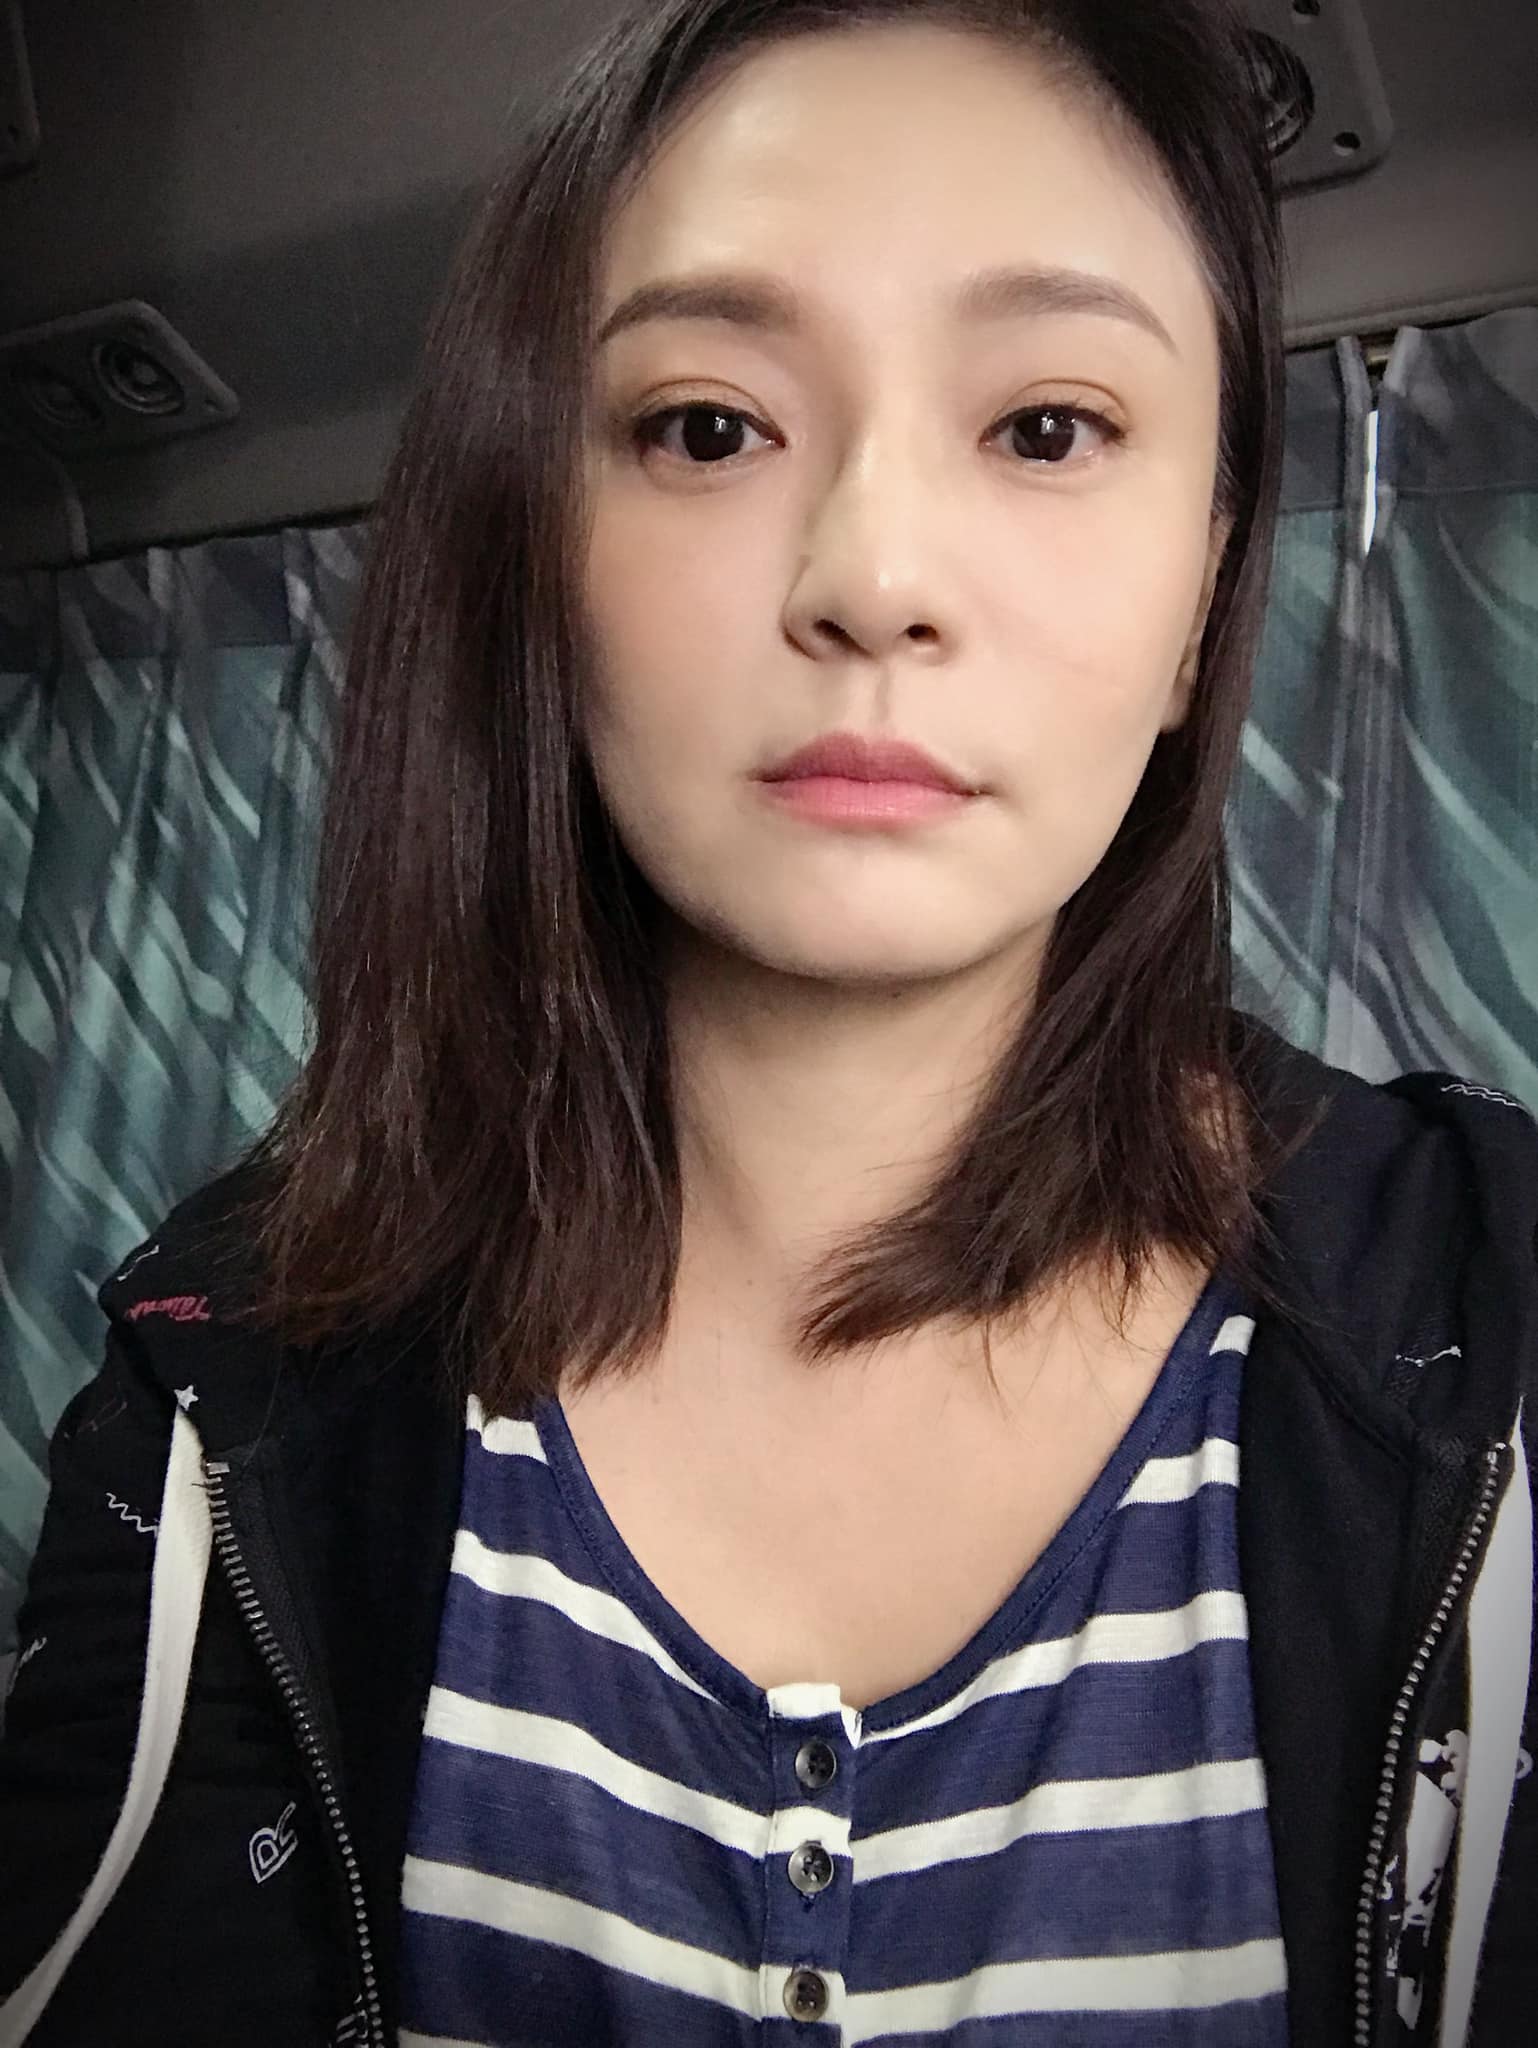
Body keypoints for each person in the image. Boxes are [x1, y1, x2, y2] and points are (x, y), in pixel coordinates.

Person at [1, 0, 1535, 2042]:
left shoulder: (1497, 1333)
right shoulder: (219, 1382)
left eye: (1048, 427)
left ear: (1203, 594)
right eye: (708, 429)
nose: (872, 579)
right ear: (540, 565)